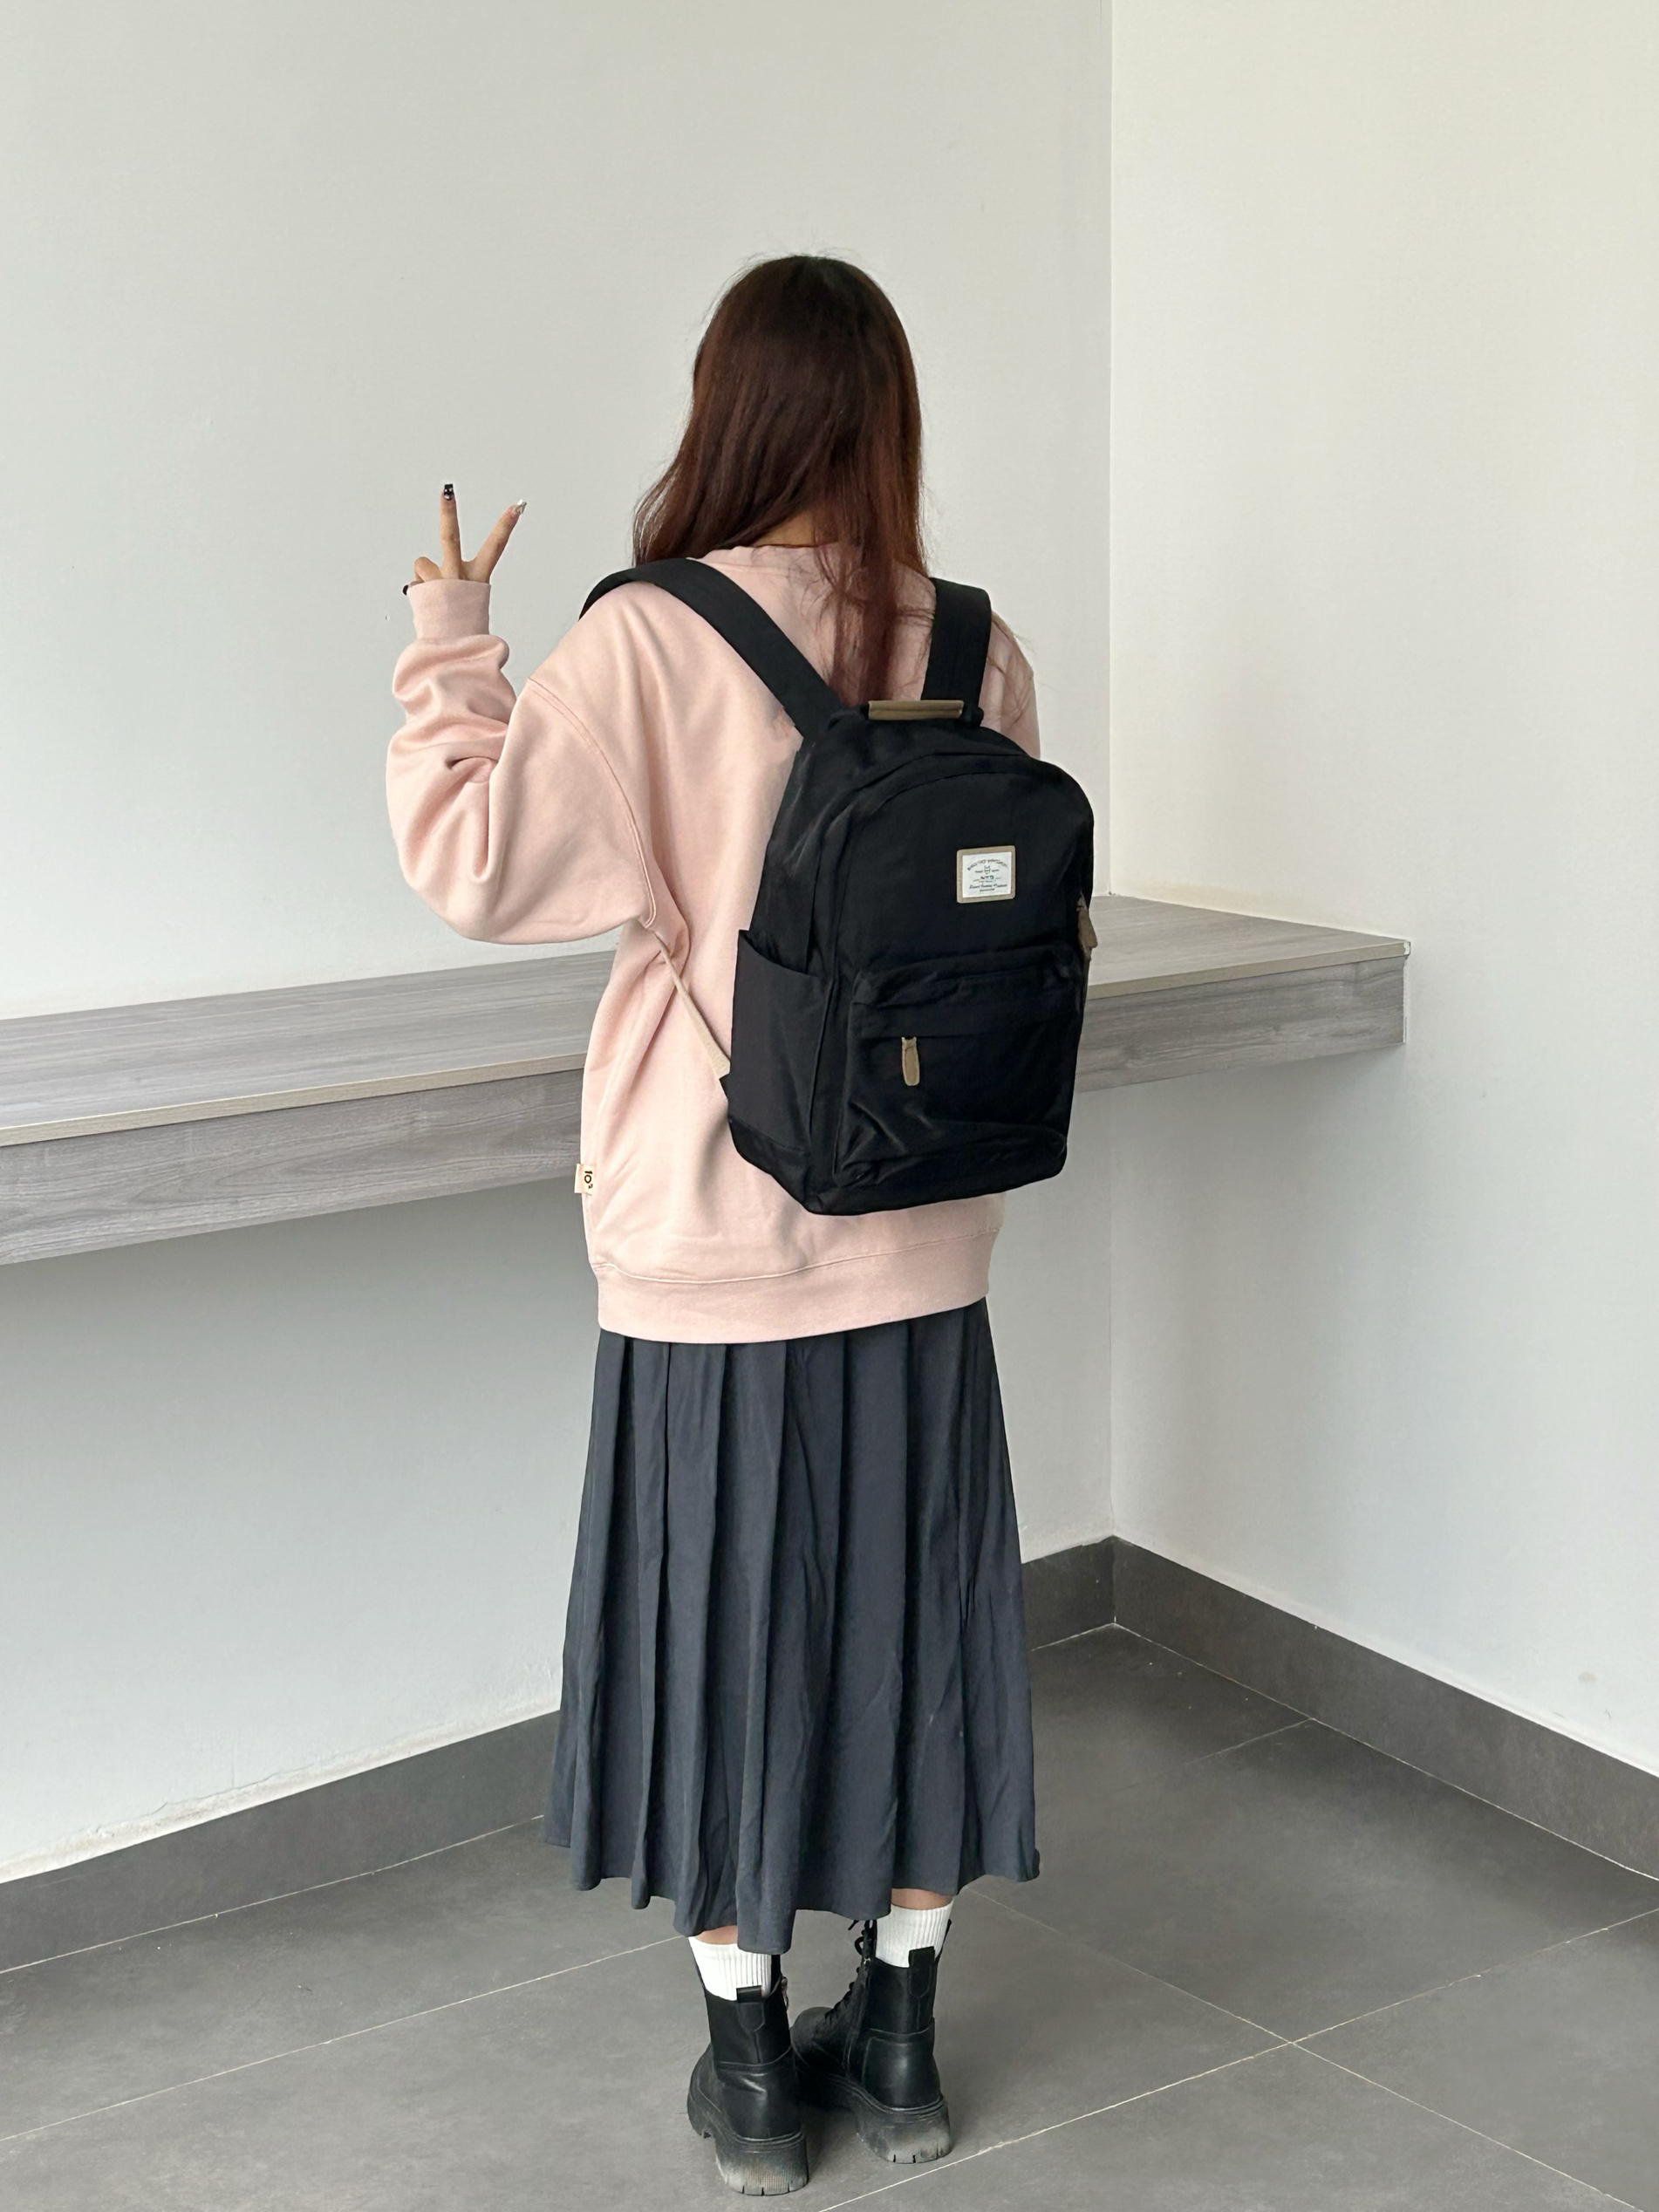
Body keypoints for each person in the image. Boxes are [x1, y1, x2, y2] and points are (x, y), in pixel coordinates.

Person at [387, 255, 1040, 2196]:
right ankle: (900, 2040)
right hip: (924, 1231)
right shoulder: (977, 644)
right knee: (920, 1630)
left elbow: (475, 865)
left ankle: (754, 2073)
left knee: (721, 1638)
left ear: (722, 410)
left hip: (711, 1241)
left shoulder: (647, 642)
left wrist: (449, 644)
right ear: (890, 417)